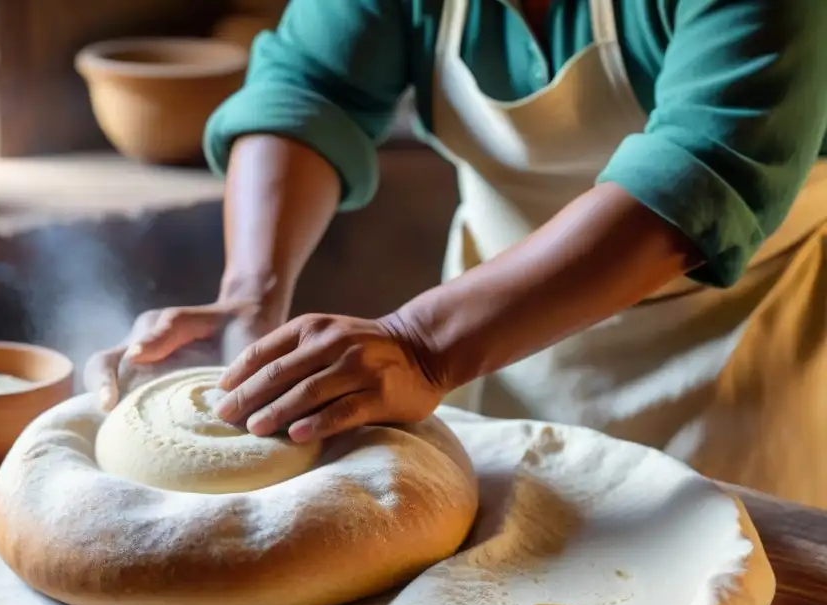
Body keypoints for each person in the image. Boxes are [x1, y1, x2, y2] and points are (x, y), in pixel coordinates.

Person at [86, 0, 827, 508]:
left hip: (741, 358)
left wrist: (419, 343)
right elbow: (309, 87)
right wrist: (249, 295)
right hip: (498, 348)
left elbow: (700, 173)